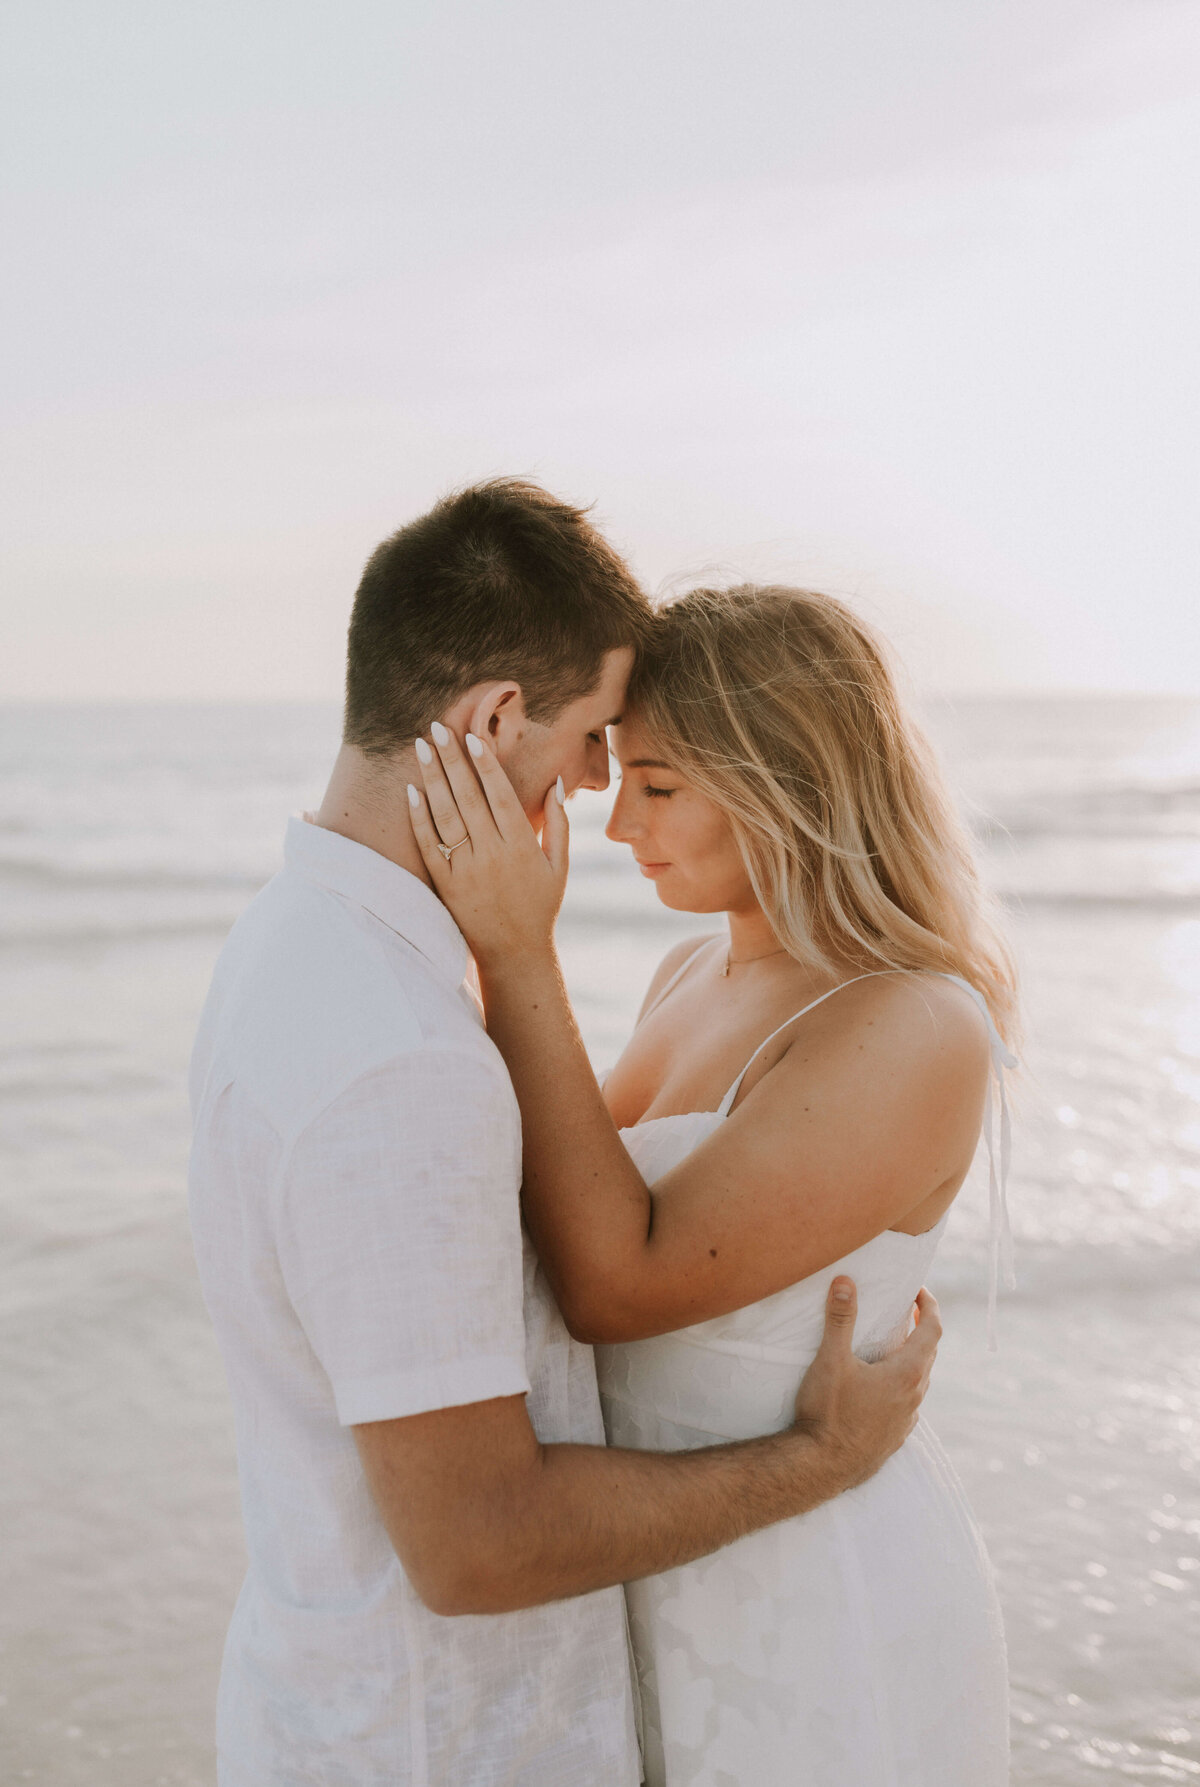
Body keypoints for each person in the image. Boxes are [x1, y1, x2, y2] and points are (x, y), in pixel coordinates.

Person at [187, 485, 942, 1787]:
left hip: (445, 1694)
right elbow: (480, 1540)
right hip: (442, 1738)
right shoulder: (399, 1052)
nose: (599, 793)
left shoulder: (301, 949)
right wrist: (816, 1456)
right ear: (490, 723)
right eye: (601, 740)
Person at [408, 578, 1016, 1786]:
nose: (619, 821)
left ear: (791, 780)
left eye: (662, 786)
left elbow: (615, 1282)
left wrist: (516, 947)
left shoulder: (911, 1021)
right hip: (646, 1552)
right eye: (617, 771)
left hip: (806, 1589)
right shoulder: (688, 974)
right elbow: (537, 1189)